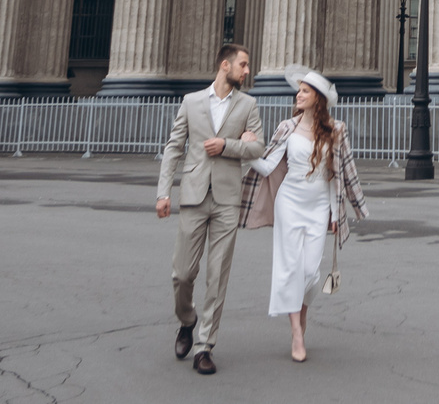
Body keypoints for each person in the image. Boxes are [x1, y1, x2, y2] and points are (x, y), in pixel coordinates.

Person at [154, 44, 265, 376]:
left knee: (218, 276)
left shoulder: (249, 104)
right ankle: (187, 321)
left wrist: (229, 146)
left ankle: (205, 346)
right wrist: (163, 193)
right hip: (193, 195)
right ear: (225, 65)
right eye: (243, 65)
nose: (247, 71)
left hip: (228, 198)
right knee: (182, 274)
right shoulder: (191, 102)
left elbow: (258, 146)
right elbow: (174, 148)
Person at [244, 66, 367, 363]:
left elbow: (342, 172)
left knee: (310, 271)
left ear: (318, 99)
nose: (298, 95)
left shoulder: (336, 130)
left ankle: (301, 316)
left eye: (305, 91)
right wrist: (248, 147)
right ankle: (296, 333)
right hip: (289, 200)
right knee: (289, 267)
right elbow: (268, 165)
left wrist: (340, 212)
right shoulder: (287, 126)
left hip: (318, 205)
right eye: (298, 90)